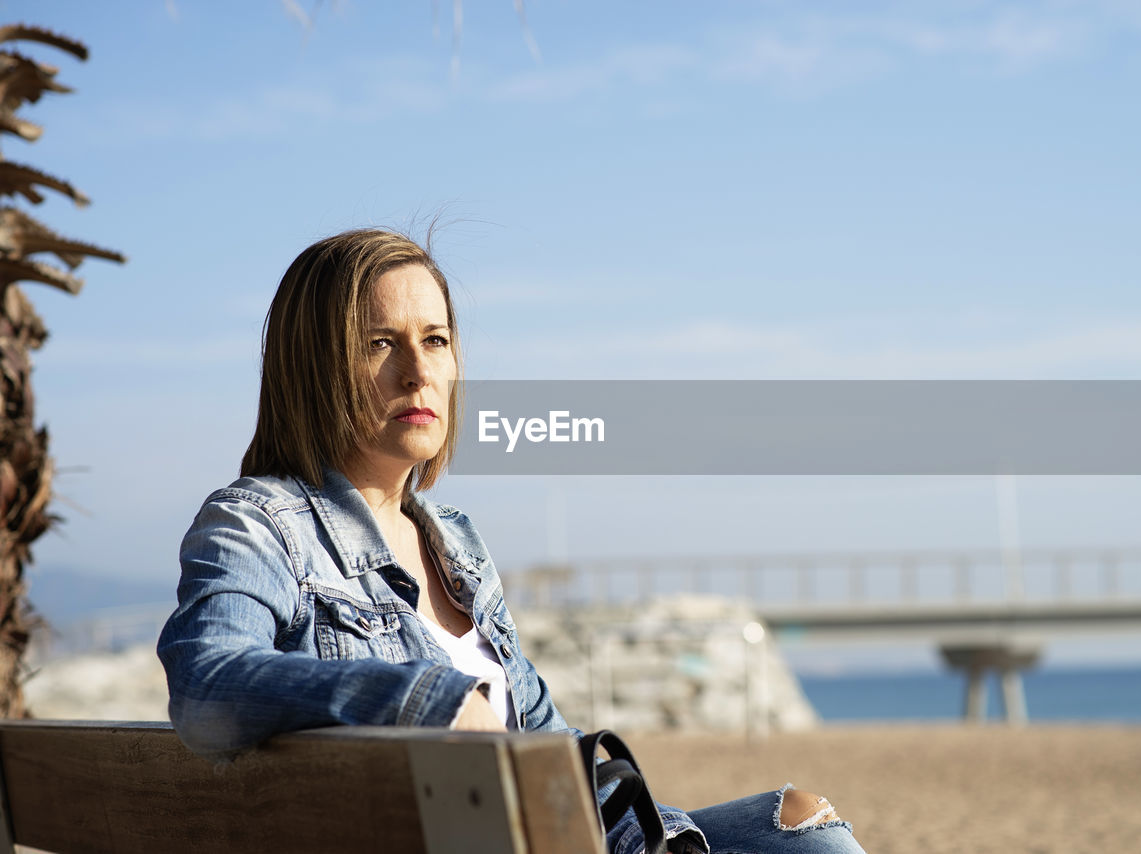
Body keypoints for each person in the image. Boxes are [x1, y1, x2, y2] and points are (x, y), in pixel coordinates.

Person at [157, 228, 867, 854]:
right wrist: (423, 700)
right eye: (380, 343)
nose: (418, 370)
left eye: (435, 340)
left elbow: (552, 757)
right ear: (313, 364)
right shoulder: (257, 524)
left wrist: (667, 838)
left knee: (804, 826)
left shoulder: (454, 543)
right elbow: (207, 687)